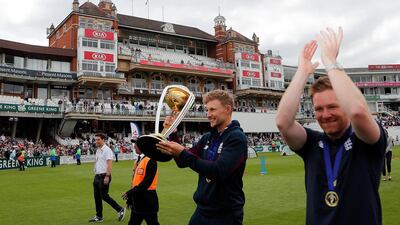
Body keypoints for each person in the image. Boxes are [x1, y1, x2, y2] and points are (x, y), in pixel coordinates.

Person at [276, 27, 387, 225]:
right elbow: (283, 122)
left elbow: (357, 111)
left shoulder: (365, 140)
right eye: (319, 109)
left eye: (332, 106)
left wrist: (330, 62)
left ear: (344, 104)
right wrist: (302, 71)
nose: (325, 115)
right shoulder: (312, 143)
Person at [156, 90, 248, 225]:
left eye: (212, 110)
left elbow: (218, 171)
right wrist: (173, 133)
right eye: (206, 110)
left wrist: (182, 152)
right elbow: (182, 162)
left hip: (225, 215)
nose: (208, 115)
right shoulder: (207, 138)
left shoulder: (236, 138)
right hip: (201, 211)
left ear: (227, 109)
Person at [89, 133, 125, 223]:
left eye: (98, 139)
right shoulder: (98, 150)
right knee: (97, 197)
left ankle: (120, 209)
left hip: (104, 176)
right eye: (95, 139)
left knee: (104, 196)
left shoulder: (107, 150)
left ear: (103, 140)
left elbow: (109, 164)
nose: (96, 141)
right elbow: (97, 161)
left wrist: (107, 176)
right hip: (97, 176)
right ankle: (99, 216)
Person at [122, 144, 160, 225]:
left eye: (136, 145)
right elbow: (135, 181)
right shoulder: (138, 160)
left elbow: (146, 183)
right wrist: (131, 198)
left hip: (147, 200)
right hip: (138, 200)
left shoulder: (151, 160)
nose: (134, 147)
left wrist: (130, 192)